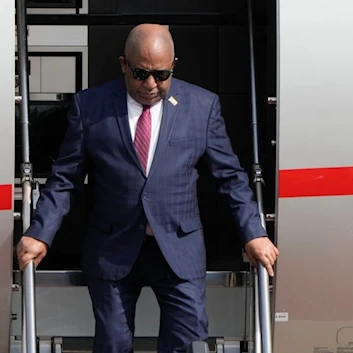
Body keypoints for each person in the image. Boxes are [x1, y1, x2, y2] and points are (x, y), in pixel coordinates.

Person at [16, 23, 279, 353]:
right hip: (113, 247)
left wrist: (254, 233)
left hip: (178, 250)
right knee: (113, 345)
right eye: (140, 74)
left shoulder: (202, 106)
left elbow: (230, 177)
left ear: (174, 65)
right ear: (123, 64)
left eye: (161, 74)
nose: (151, 85)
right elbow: (65, 179)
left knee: (187, 341)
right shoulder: (90, 106)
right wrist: (40, 232)